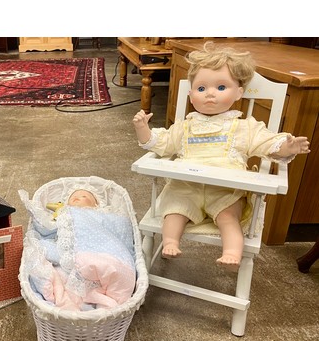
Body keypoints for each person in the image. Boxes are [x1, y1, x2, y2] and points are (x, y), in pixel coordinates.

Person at [132, 42, 310, 271]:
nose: (211, 94)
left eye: (221, 87)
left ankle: (231, 253)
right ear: (191, 94)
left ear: (239, 93)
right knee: (174, 211)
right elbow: (162, 144)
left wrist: (287, 146)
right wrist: (142, 129)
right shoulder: (184, 127)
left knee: (228, 218)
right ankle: (170, 242)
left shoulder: (243, 127)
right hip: (187, 186)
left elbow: (267, 143)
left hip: (225, 191)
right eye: (202, 88)